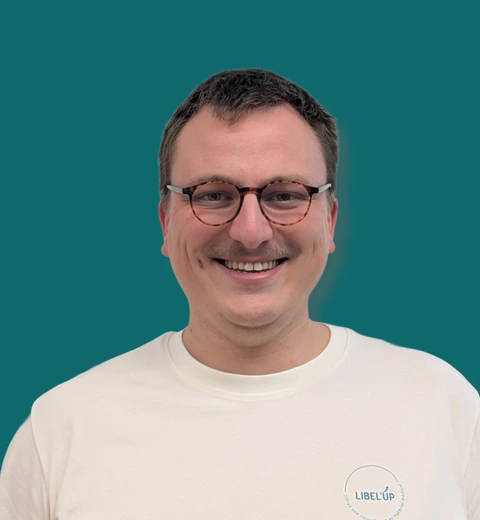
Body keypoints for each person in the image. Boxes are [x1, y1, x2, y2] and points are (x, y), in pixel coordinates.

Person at [1, 68, 478, 519]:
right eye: (213, 194)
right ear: (166, 222)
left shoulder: (441, 405)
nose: (251, 232)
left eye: (285, 194)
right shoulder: (61, 430)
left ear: (330, 220)